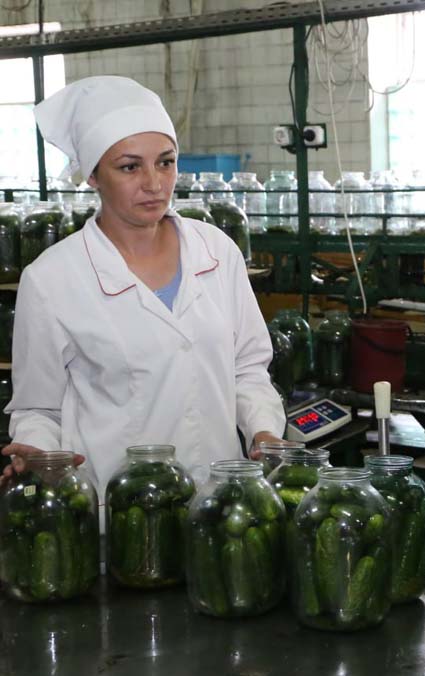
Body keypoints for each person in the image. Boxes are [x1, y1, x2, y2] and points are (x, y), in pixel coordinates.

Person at [3, 76, 285, 495]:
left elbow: (247, 368)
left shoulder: (216, 252)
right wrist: (39, 454)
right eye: (130, 166)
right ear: (94, 176)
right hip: (121, 509)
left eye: (166, 162)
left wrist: (263, 431)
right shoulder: (52, 279)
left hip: (219, 502)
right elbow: (39, 408)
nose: (154, 184)